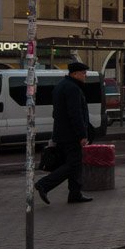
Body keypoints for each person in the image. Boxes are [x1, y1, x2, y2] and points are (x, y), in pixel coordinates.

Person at [35, 61, 92, 204]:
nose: (85, 76)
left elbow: (56, 113)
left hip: (61, 132)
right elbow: (75, 113)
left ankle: (75, 194)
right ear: (75, 74)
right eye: (83, 73)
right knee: (73, 164)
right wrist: (82, 135)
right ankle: (44, 184)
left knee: (74, 164)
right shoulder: (72, 88)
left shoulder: (61, 86)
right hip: (71, 135)